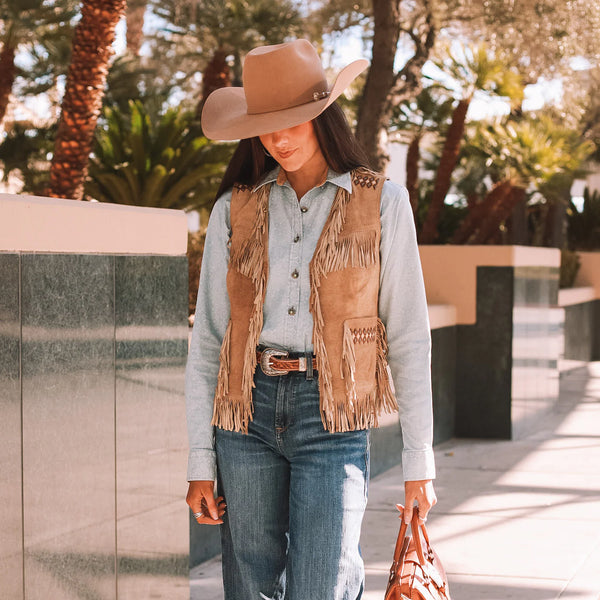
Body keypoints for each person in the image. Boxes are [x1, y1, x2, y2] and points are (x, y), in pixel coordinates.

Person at [185, 39, 436, 600]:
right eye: (265, 125)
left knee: (323, 581)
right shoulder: (234, 208)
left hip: (334, 416)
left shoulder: (384, 203)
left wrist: (420, 461)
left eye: (293, 121)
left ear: (323, 114)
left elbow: (410, 336)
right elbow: (209, 339)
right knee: (249, 585)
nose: (278, 138)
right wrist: (200, 461)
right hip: (243, 414)